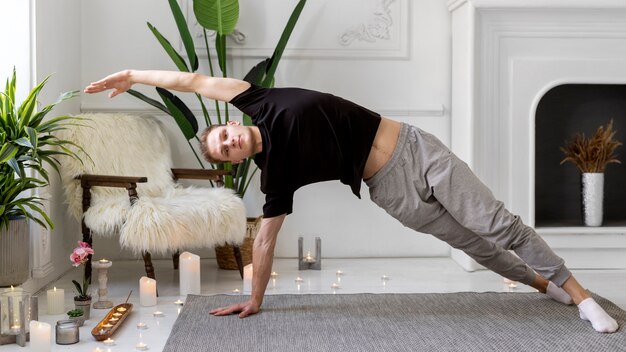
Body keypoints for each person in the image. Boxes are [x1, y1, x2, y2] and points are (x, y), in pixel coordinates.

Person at [85, 69, 619, 333]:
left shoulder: (260, 100)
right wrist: (256, 299)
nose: (229, 140)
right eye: (222, 150)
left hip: (416, 150)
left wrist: (134, 75)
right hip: (391, 193)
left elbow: (194, 80)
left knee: (498, 225)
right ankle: (543, 284)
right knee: (478, 248)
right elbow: (267, 238)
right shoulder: (277, 175)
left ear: (234, 123)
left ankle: (582, 295)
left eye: (225, 133)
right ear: (231, 161)